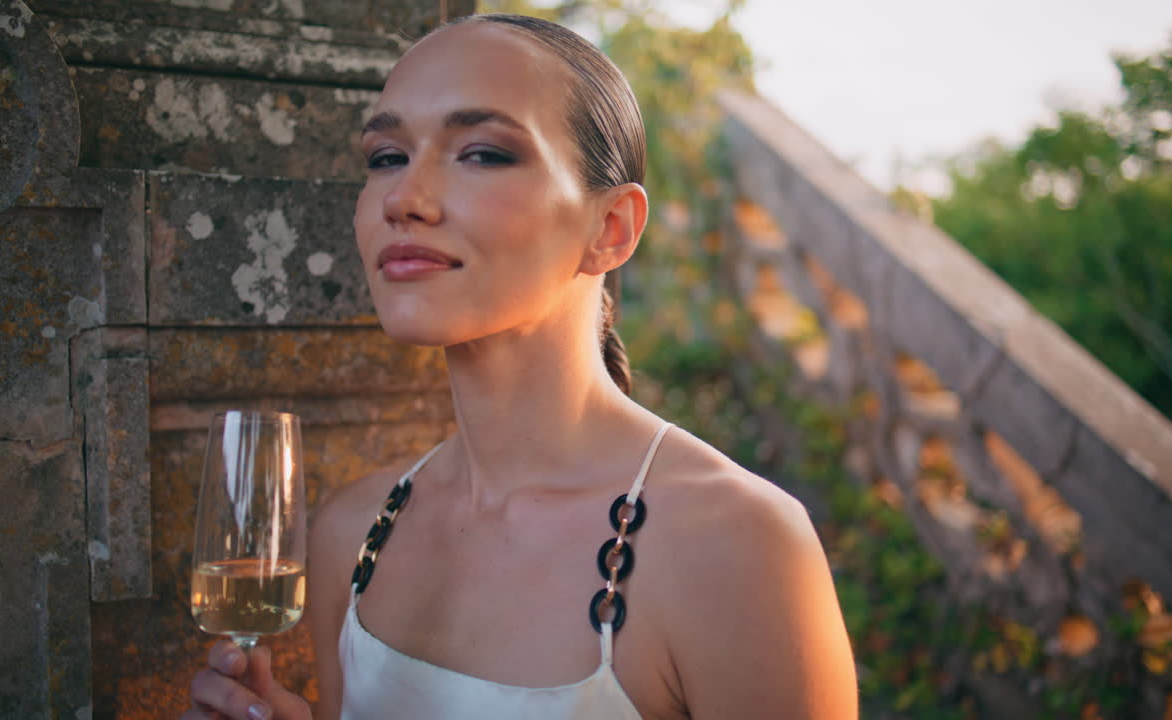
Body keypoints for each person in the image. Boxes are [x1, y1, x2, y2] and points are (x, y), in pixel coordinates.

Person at [183, 13, 857, 720]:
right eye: (386, 156)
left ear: (610, 229)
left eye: (481, 153)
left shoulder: (737, 546)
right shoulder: (350, 536)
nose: (403, 198)